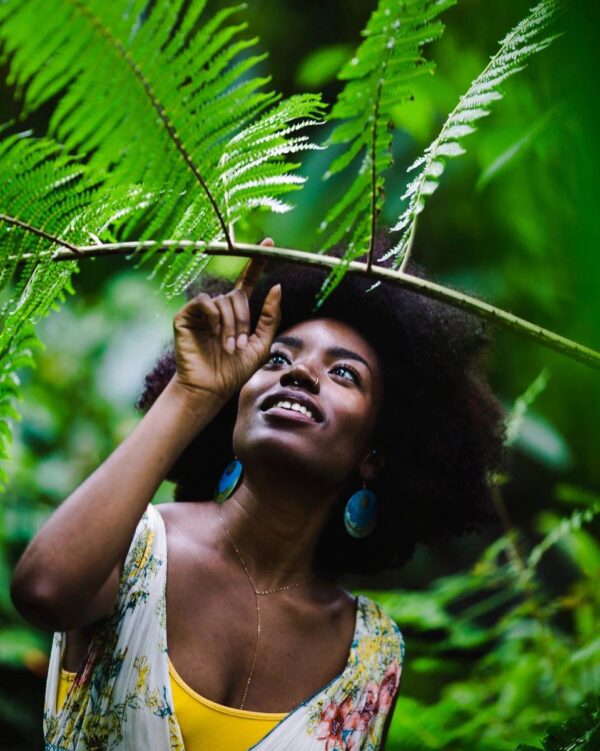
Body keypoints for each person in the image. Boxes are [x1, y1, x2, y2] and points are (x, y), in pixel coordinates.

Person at [10, 238, 505, 750]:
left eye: (342, 373)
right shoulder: (135, 548)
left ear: (374, 455)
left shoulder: (372, 656)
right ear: (235, 403)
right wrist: (191, 393)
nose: (298, 372)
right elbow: (43, 592)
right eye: (275, 359)